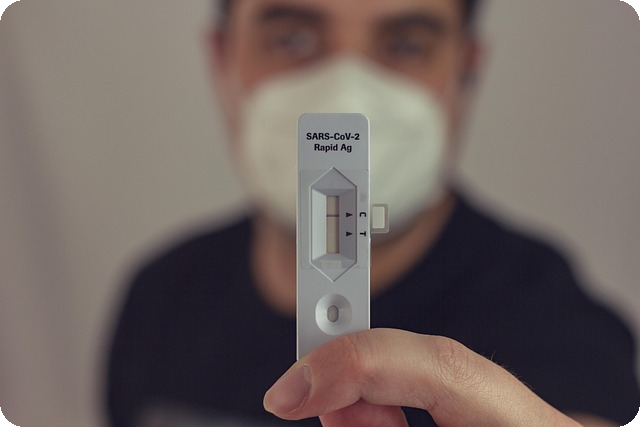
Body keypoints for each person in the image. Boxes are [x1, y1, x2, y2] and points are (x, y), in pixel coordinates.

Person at [106, 1, 640, 426]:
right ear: (222, 57)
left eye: (406, 45)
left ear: (466, 69)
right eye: (291, 39)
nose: (345, 96)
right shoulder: (161, 295)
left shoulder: (554, 325)